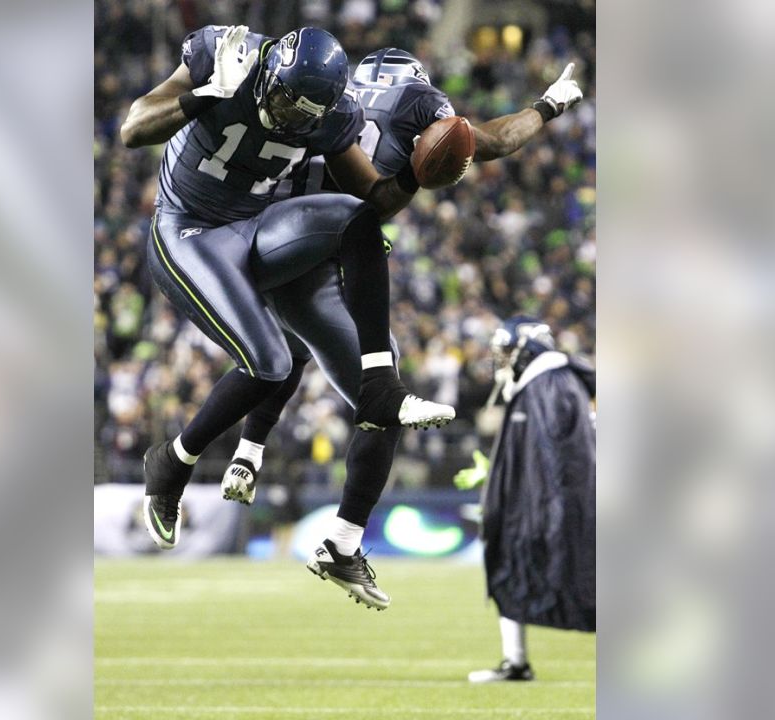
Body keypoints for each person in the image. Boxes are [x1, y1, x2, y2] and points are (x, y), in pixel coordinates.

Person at [209, 47, 584, 604]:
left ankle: (249, 451)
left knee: (292, 341)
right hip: (335, 242)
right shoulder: (417, 98)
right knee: (381, 393)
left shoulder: (331, 97)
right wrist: (549, 104)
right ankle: (342, 540)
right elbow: (494, 142)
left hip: (264, 237)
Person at [120, 26, 455, 564]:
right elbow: (133, 129)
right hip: (188, 227)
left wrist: (417, 177)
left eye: (306, 114)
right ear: (269, 71)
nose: (291, 118)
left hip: (255, 227)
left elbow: (373, 193)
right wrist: (205, 94)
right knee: (269, 362)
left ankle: (378, 384)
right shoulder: (225, 54)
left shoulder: (330, 113)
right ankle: (174, 461)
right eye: (283, 101)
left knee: (358, 220)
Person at [453, 316, 596, 682]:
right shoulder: (540, 384)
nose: (500, 360)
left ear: (526, 348)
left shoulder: (550, 384)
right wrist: (499, 474)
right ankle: (515, 661)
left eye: (505, 351)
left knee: (585, 584)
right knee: (509, 570)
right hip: (538, 506)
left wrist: (543, 508)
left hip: (553, 510)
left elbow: (559, 458)